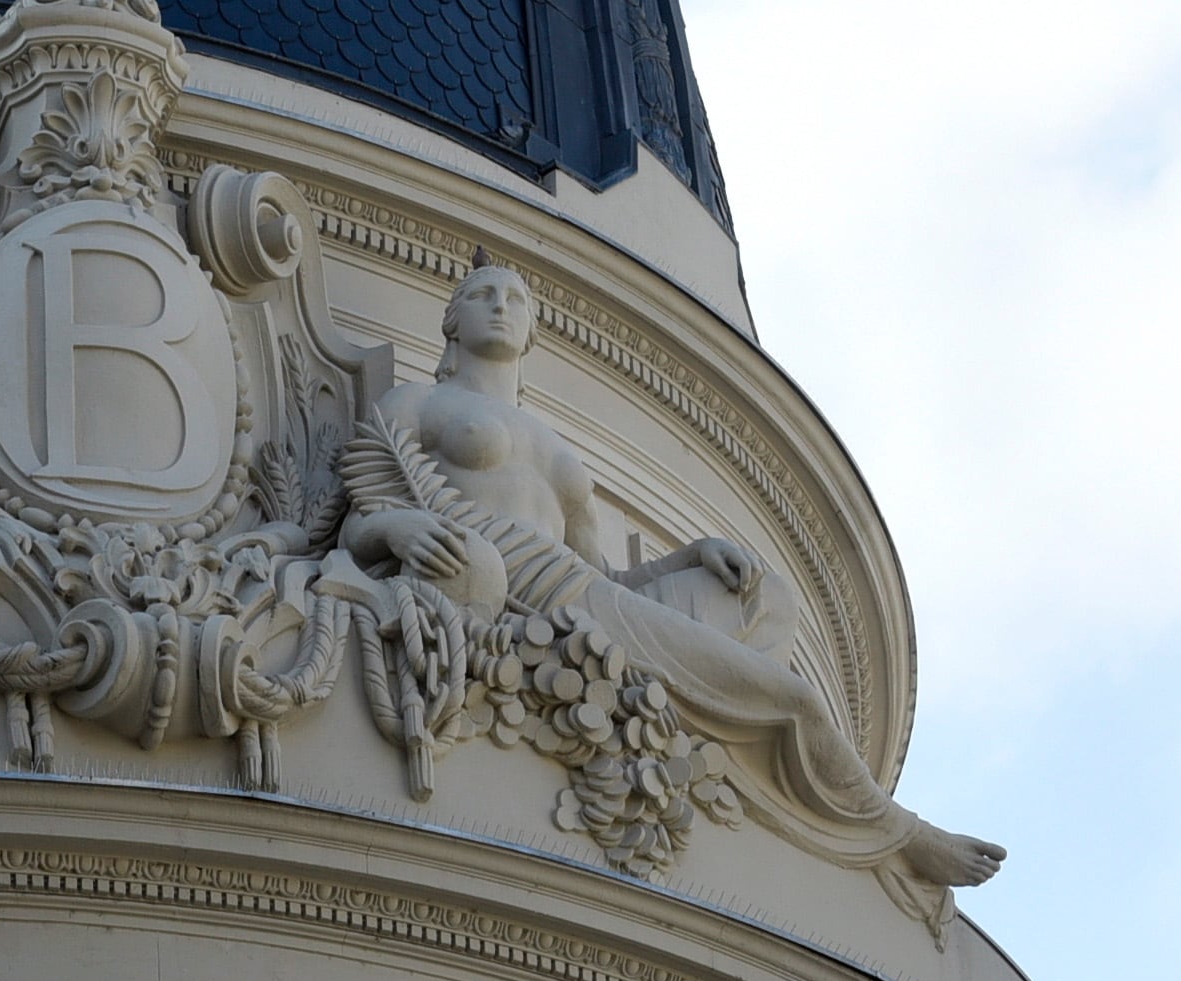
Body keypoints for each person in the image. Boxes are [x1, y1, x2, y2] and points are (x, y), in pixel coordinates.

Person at [322, 258, 1001, 889]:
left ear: (532, 330)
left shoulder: (555, 449)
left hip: (581, 603)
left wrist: (688, 556)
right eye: (480, 296)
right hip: (511, 592)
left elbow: (603, 577)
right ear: (452, 321)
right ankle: (898, 834)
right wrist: (399, 527)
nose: (498, 306)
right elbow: (360, 520)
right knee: (792, 700)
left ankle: (735, 751)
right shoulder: (415, 406)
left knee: (769, 599)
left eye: (514, 299)